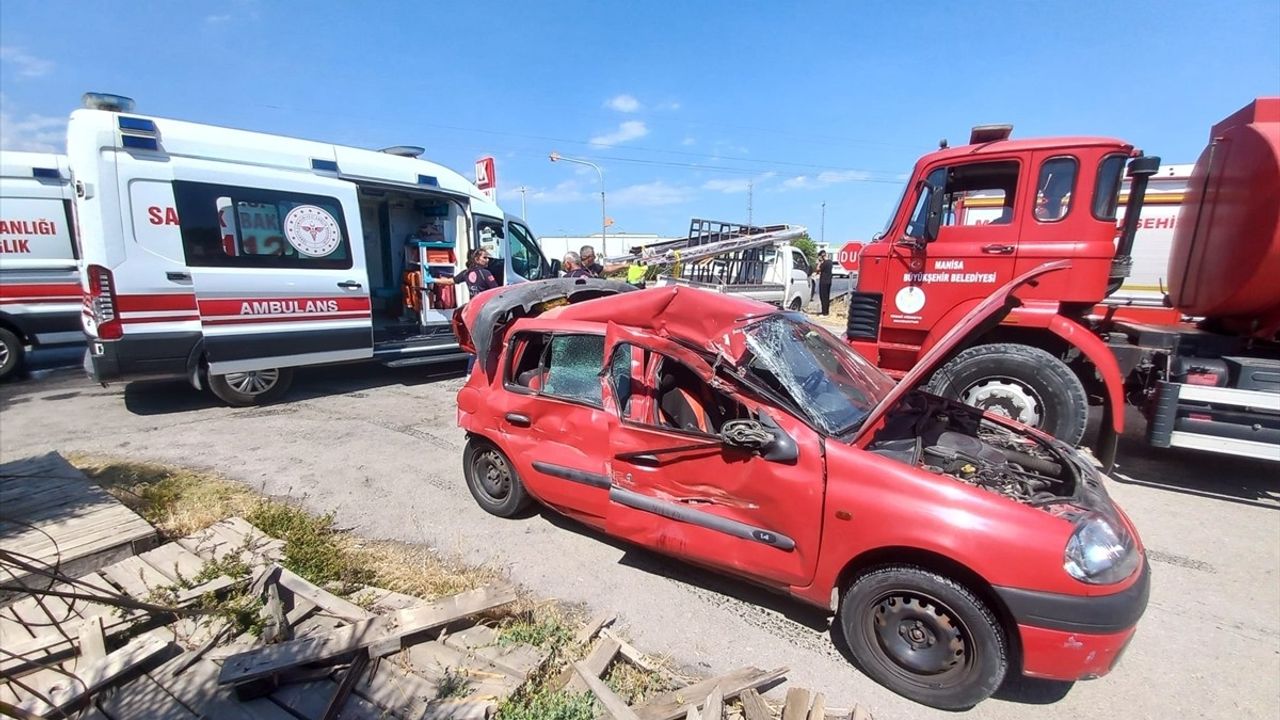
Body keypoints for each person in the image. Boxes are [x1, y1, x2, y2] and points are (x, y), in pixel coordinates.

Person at [815, 250, 834, 316]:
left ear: (821, 256)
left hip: (823, 281)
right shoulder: (830, 262)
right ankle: (826, 311)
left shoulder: (824, 263)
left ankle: (824, 312)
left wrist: (819, 263)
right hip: (829, 281)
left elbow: (817, 269)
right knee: (827, 297)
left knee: (823, 297)